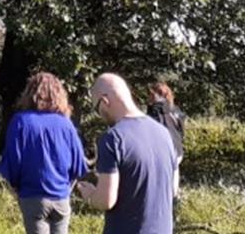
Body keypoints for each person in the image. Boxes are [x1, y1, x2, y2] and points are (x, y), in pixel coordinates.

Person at [75, 73, 175, 234]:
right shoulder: (164, 133)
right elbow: (173, 188)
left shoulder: (112, 139)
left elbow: (106, 201)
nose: (99, 114)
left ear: (105, 101)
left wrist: (89, 195)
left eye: (96, 108)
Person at [0, 71, 89, 234]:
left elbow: (13, 162)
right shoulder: (66, 124)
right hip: (61, 197)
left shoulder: (21, 121)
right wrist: (66, 189)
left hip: (33, 196)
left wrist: (17, 188)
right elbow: (79, 165)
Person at [146, 81, 186, 164]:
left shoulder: (155, 112)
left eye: (150, 94)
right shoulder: (175, 110)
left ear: (154, 95)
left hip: (163, 154)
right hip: (177, 151)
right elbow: (181, 132)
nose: (148, 97)